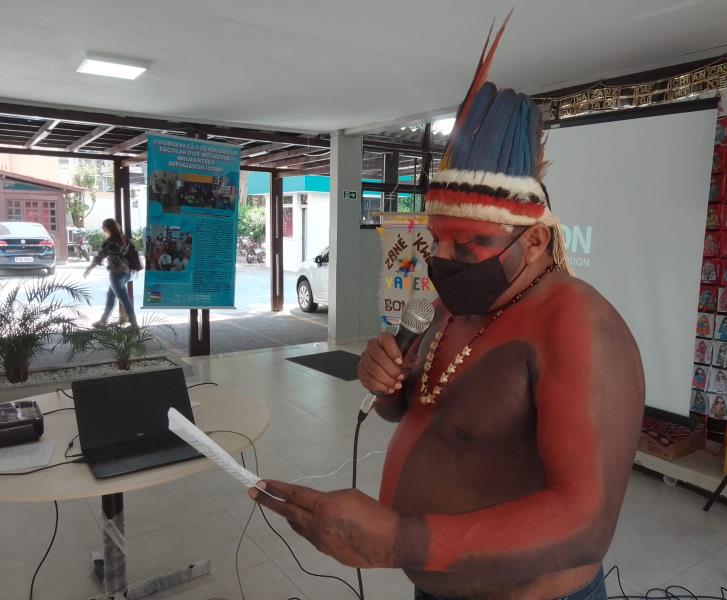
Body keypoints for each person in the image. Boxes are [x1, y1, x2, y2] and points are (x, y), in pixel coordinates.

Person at [248, 18, 644, 600]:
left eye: (469, 245)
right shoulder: (446, 306)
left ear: (535, 241)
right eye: (438, 242)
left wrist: (402, 540)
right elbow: (422, 411)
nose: (443, 261)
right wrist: (385, 383)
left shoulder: (578, 327)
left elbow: (586, 525)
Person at [84, 218, 138, 329]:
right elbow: (133, 252)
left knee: (124, 299)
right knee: (110, 295)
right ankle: (103, 321)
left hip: (116, 274)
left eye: (103, 227)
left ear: (107, 228)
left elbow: (98, 258)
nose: (102, 229)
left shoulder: (109, 242)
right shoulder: (125, 238)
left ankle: (134, 325)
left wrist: (89, 269)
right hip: (127, 274)